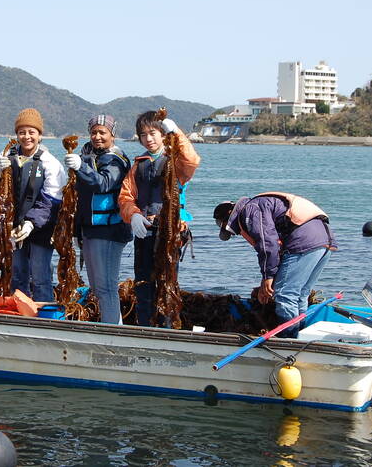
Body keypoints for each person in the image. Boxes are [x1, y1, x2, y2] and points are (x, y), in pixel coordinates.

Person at [213, 192, 337, 338]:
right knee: (300, 294)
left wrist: (268, 276)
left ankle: (289, 340)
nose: (237, 233)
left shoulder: (250, 210)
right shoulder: (258, 206)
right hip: (323, 240)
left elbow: (268, 244)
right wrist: (266, 279)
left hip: (303, 241)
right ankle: (301, 336)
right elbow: (275, 251)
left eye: (227, 226)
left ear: (230, 213)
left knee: (285, 295)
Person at [118, 111, 200, 326]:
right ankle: (145, 328)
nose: (149, 139)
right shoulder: (138, 165)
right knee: (143, 283)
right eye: (143, 135)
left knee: (167, 284)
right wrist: (133, 216)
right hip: (144, 230)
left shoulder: (176, 162)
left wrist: (177, 133)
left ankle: (167, 328)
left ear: (163, 134)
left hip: (170, 233)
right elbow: (125, 197)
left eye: (153, 133)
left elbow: (192, 160)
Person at [0, 108, 67, 302]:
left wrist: (31, 223)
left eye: (32, 132)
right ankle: (18, 314)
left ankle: (45, 316)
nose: (26, 136)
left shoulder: (50, 163)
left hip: (41, 229)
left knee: (40, 277)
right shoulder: (6, 156)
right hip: (12, 228)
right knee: (16, 275)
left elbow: (52, 200)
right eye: (22, 132)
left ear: (40, 135)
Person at [64, 115, 132, 324]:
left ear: (112, 134)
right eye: (94, 132)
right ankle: (113, 325)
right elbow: (80, 199)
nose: (97, 136)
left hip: (110, 230)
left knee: (106, 286)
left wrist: (80, 167)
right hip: (89, 229)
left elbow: (103, 183)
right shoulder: (87, 155)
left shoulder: (116, 160)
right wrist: (76, 232)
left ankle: (112, 330)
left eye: (102, 132)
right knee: (96, 285)